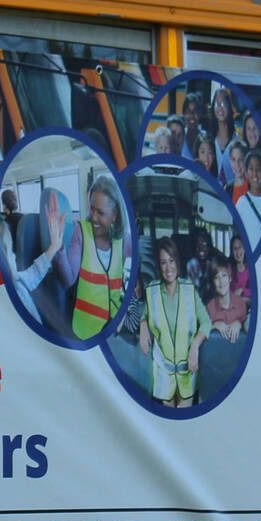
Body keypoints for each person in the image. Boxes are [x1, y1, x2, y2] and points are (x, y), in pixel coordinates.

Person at [137, 236, 210, 407]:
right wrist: (143, 324)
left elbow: (206, 322)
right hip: (164, 376)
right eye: (163, 262)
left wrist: (195, 347)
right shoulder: (152, 292)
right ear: (158, 265)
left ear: (177, 261)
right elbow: (145, 315)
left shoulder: (190, 290)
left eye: (171, 260)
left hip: (188, 374)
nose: (168, 267)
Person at [69, 173, 127, 339]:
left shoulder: (123, 242)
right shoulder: (81, 231)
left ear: (114, 214)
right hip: (85, 331)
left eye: (100, 212)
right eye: (92, 209)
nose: (93, 216)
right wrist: (57, 251)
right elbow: (68, 278)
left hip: (113, 331)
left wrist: (126, 310)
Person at [207, 229, 252, 343]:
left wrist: (242, 291)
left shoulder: (252, 269)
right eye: (235, 249)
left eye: (240, 247)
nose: (238, 252)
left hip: (244, 308)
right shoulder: (229, 268)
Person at [236, 150, 261, 252]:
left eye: (258, 169)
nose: (255, 173)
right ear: (246, 173)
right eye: (251, 169)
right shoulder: (241, 203)